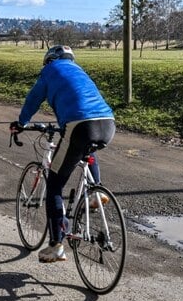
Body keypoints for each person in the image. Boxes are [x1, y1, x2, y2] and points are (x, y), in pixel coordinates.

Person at [11, 45, 115, 264]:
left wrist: (21, 123)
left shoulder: (50, 70)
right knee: (87, 150)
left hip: (79, 125)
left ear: (49, 60)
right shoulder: (79, 70)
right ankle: (96, 191)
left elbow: (34, 98)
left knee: (55, 185)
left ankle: (56, 244)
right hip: (107, 123)